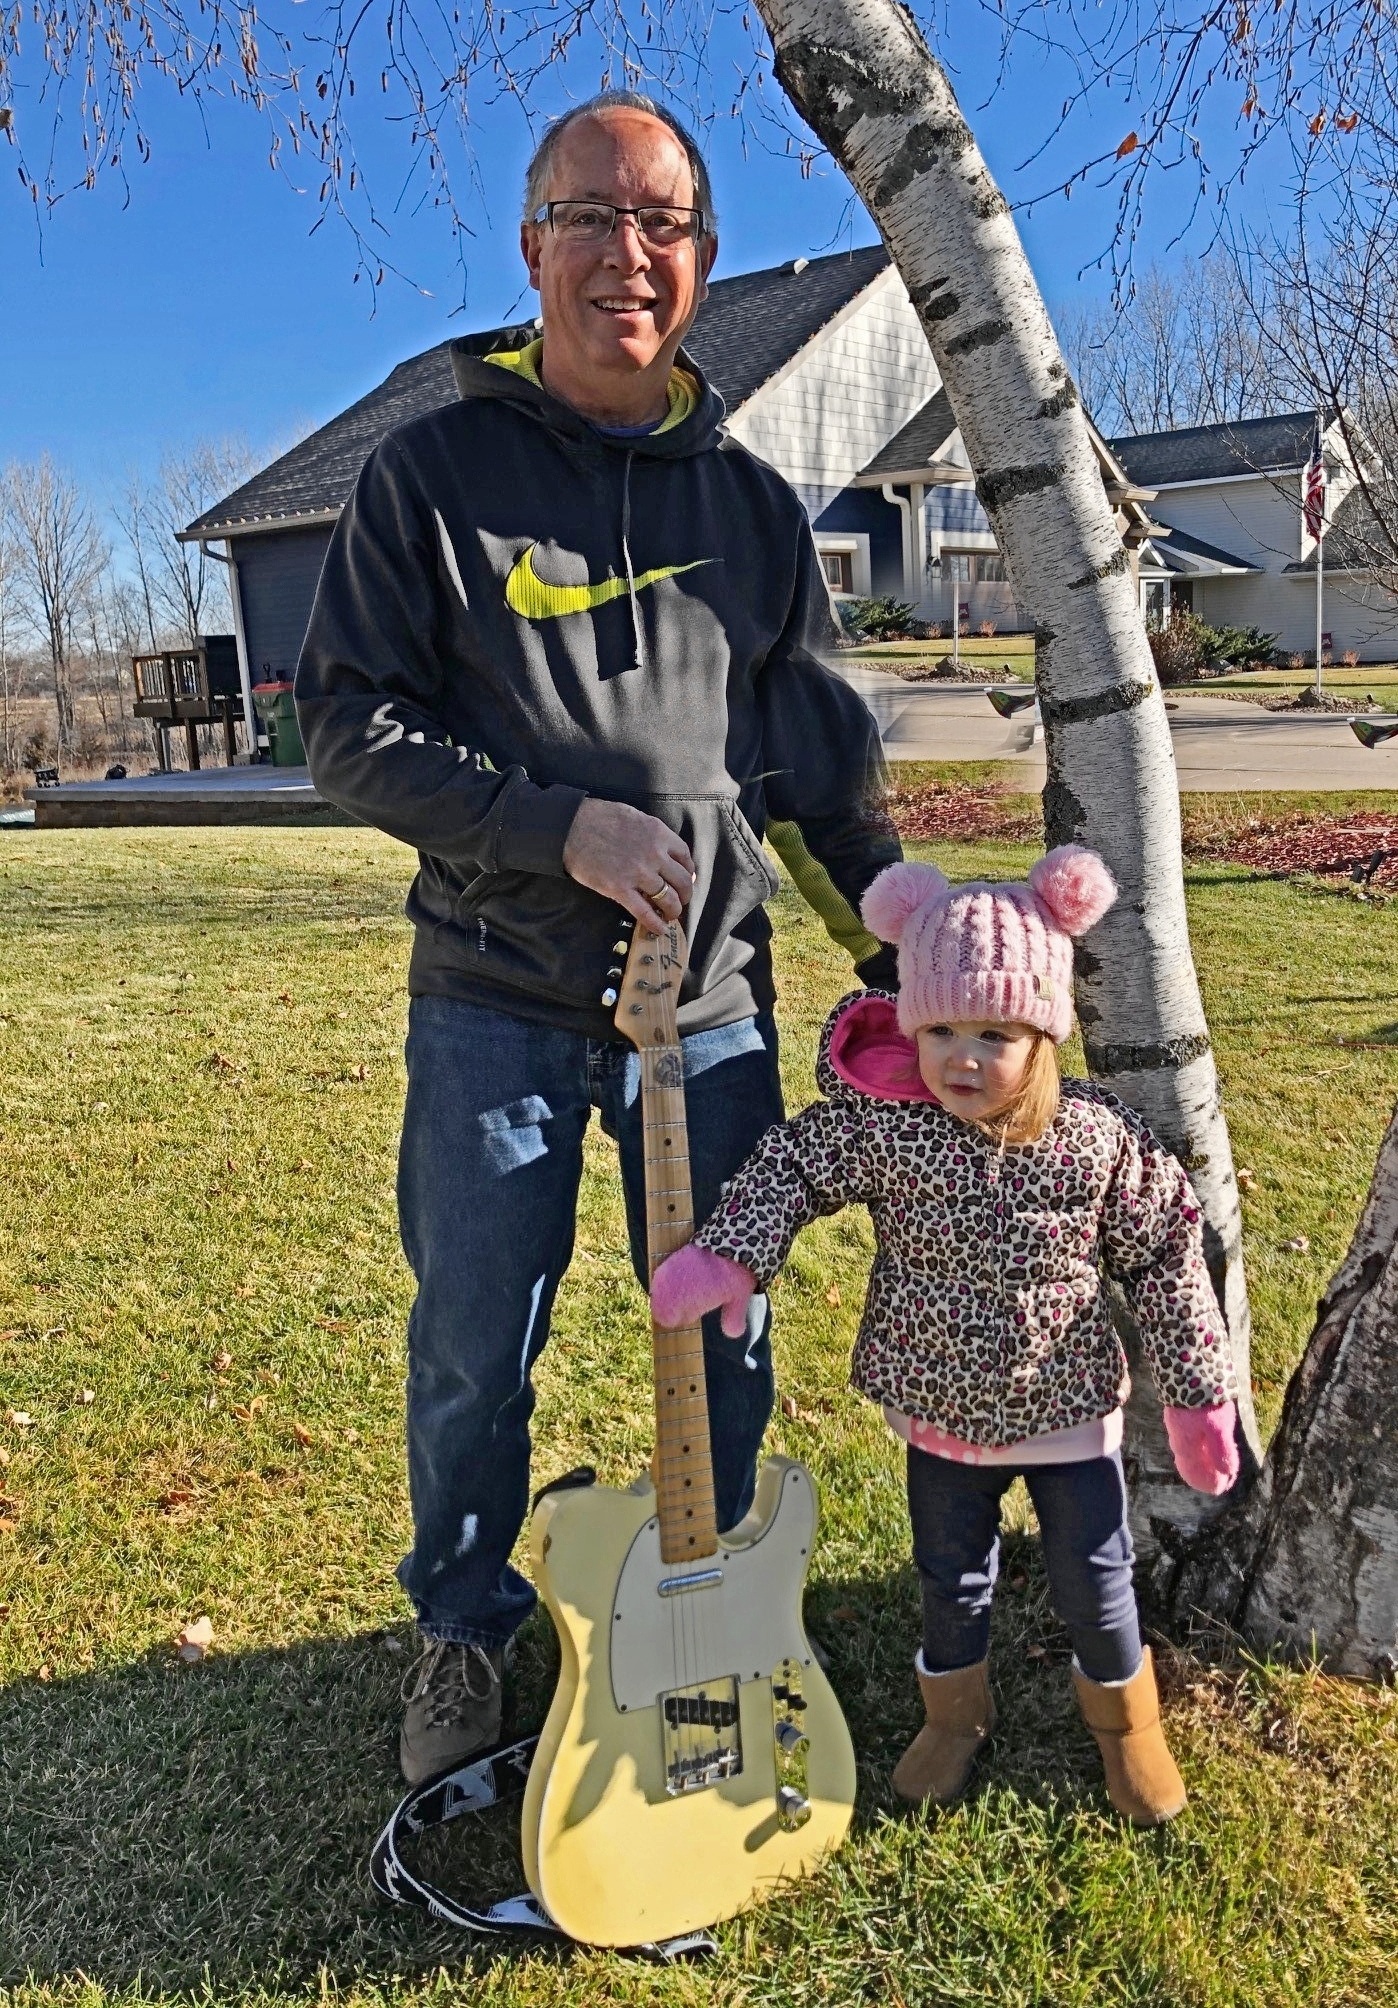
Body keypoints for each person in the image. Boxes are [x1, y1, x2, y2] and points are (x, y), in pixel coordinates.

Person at [295, 92, 901, 1783]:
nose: (625, 256)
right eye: (590, 217)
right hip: (494, 1003)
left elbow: (826, 785)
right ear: (530, 248)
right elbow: (345, 723)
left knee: (724, 1330)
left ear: (699, 261)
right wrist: (555, 827)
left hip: (704, 1016)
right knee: (472, 1346)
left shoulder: (753, 512)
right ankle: (461, 1627)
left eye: (661, 224)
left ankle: (710, 1604)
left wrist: (901, 951)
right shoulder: (429, 477)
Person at [651, 847, 1240, 1826]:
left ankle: (1128, 1730)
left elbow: (1168, 1256)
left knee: (1095, 1582)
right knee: (951, 1576)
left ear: (1044, 1034)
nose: (963, 1056)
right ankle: (954, 1718)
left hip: (1068, 1418)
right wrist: (733, 1255)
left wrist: (1196, 1393)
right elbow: (795, 1166)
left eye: (996, 1032)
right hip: (940, 1417)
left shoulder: (1097, 1141)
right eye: (943, 1029)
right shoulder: (891, 1129)